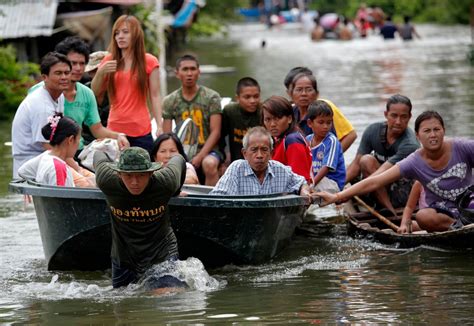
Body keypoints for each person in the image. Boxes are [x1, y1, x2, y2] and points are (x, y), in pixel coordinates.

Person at [317, 111, 474, 232]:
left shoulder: (462, 146)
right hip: (443, 214)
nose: (433, 135)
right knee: (423, 216)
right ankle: (459, 227)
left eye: (436, 129)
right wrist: (336, 196)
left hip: (470, 205)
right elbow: (375, 181)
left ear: (443, 131)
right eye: (427, 131)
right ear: (418, 136)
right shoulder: (414, 161)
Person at [94, 146, 188, 290]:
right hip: (123, 256)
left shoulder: (166, 182)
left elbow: (179, 159)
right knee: (123, 306)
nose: (135, 182)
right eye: (128, 175)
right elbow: (98, 154)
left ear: (151, 173)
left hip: (161, 253)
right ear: (118, 173)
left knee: (167, 300)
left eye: (141, 175)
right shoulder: (107, 180)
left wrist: (175, 191)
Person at [30, 37, 129, 155]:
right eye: (73, 63)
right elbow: (43, 139)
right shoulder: (41, 92)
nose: (78, 68)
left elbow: (97, 129)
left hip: (77, 151)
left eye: (82, 63)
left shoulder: (87, 93)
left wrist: (118, 136)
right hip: (47, 153)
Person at [92, 15, 162, 151]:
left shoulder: (150, 61)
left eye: (125, 32)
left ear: (135, 34)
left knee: (143, 170)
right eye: (117, 33)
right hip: (115, 131)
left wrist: (159, 124)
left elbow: (155, 96)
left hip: (141, 129)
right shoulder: (109, 60)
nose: (120, 36)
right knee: (115, 171)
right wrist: (100, 73)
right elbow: (94, 92)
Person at [345, 94, 420, 215]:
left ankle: (391, 213)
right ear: (386, 114)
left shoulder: (410, 144)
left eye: (403, 117)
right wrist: (336, 189)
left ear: (409, 117)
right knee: (365, 160)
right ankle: (384, 207)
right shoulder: (372, 131)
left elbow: (380, 175)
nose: (398, 122)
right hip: (378, 187)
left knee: (367, 164)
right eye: (394, 116)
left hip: (403, 193)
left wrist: (350, 193)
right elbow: (355, 166)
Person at [162, 54, 222, 186]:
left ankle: (212, 202)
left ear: (199, 72)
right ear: (177, 73)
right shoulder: (170, 100)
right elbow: (167, 136)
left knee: (209, 164)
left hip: (208, 150)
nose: (189, 73)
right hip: (181, 150)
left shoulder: (211, 97)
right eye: (185, 69)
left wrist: (200, 156)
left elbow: (216, 132)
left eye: (193, 69)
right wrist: (177, 156)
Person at [12, 52, 70, 178]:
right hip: (29, 166)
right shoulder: (41, 106)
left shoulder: (59, 96)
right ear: (45, 77)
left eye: (67, 72)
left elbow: (57, 135)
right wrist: (74, 166)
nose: (64, 77)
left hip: (45, 160)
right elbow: (47, 145)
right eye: (58, 73)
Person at [210, 127, 311, 198]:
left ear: (271, 153)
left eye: (264, 149)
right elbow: (218, 197)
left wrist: (304, 191)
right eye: (254, 150)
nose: (259, 155)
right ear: (245, 153)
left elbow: (302, 182)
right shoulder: (237, 168)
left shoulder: (280, 170)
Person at [284, 67, 357, 152]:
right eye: (299, 89)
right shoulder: (290, 112)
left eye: (309, 89)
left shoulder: (324, 108)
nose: (303, 94)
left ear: (317, 94)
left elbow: (351, 135)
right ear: (290, 94)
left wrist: (334, 157)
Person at [18, 113, 95, 188]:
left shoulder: (45, 156)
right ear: (71, 140)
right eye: (79, 139)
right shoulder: (59, 167)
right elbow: (61, 198)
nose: (79, 144)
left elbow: (22, 171)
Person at [262, 96, 312, 184]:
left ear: (289, 119)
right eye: (267, 119)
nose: (272, 124)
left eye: (277, 118)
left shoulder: (293, 141)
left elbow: (300, 180)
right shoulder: (277, 139)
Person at [306, 100, 345, 192]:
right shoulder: (307, 140)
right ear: (310, 123)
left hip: (331, 181)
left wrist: (311, 185)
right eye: (321, 122)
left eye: (329, 122)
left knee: (307, 191)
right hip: (315, 179)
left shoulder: (331, 141)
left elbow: (327, 167)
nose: (325, 126)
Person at [220, 77, 262, 162]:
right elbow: (220, 138)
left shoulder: (264, 111)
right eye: (247, 97)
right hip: (237, 161)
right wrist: (222, 158)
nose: (252, 101)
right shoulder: (230, 111)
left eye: (256, 96)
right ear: (237, 98)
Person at [82, 51, 110, 146]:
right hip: (87, 142)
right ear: (90, 73)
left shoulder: (118, 92)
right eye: (95, 71)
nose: (100, 74)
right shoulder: (82, 92)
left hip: (113, 139)